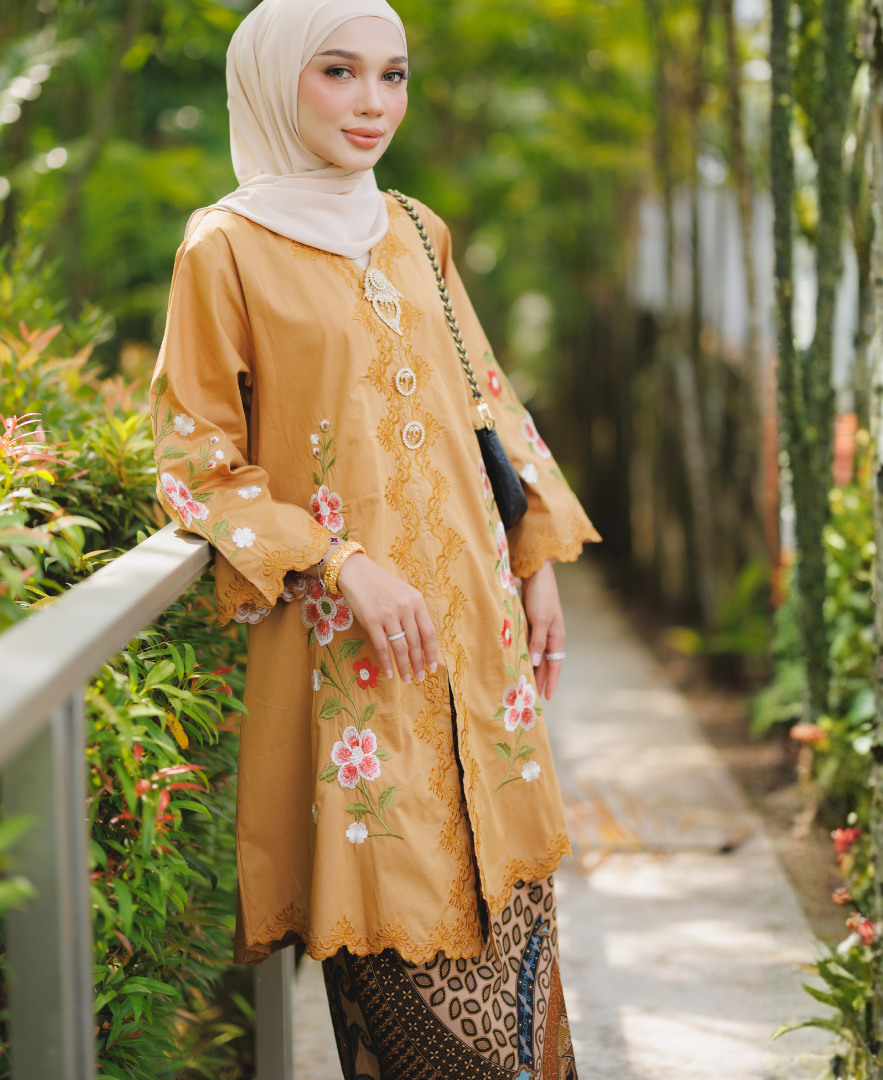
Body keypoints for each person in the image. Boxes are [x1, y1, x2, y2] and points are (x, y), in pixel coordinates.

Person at [149, 0, 599, 1074]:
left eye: (392, 75)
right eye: (339, 71)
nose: (372, 103)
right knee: (413, 987)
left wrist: (533, 557)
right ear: (275, 80)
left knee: (528, 1004)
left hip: (481, 655)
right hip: (359, 673)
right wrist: (338, 560)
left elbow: (484, 403)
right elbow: (193, 465)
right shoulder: (225, 248)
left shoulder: (413, 228)